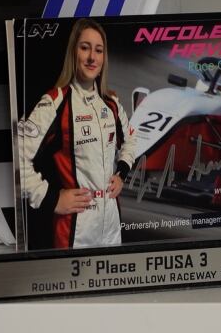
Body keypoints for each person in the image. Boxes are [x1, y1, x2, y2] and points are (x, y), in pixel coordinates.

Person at [19, 18, 136, 249]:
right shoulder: (55, 102)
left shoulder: (111, 104)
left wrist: (122, 173)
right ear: (74, 52)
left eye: (98, 50)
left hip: (111, 223)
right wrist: (51, 198)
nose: (92, 57)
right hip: (75, 228)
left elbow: (131, 140)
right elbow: (17, 156)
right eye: (85, 48)